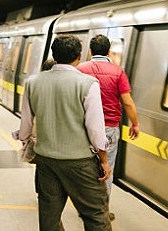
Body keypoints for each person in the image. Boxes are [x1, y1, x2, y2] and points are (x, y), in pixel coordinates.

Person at [19, 34, 112, 231]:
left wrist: (27, 143)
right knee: (95, 215)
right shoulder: (88, 83)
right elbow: (95, 129)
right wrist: (103, 159)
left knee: (49, 216)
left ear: (53, 54)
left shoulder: (33, 82)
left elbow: (26, 126)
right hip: (80, 162)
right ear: (79, 56)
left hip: (46, 160)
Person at [76, 34, 139, 222]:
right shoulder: (118, 72)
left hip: (83, 126)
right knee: (106, 169)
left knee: (85, 168)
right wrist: (135, 123)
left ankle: (83, 206)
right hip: (109, 127)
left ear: (90, 51)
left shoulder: (80, 69)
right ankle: (102, 211)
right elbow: (127, 102)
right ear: (108, 51)